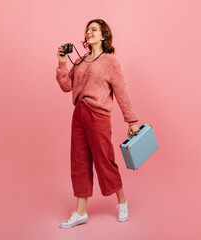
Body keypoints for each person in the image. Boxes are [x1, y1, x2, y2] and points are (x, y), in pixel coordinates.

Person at [55, 19, 140, 228]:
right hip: (79, 114)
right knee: (79, 161)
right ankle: (80, 212)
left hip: (98, 116)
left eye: (94, 29)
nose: (89, 32)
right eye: (88, 29)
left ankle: (122, 202)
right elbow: (67, 86)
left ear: (103, 36)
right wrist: (62, 63)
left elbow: (121, 91)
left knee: (105, 160)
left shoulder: (110, 61)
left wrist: (132, 120)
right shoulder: (81, 61)